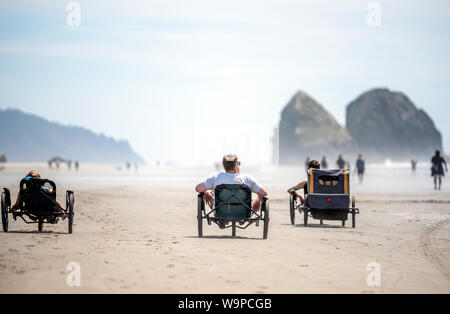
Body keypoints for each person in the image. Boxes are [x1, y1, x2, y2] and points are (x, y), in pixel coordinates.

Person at [195, 154, 268, 212]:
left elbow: (198, 188)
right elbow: (264, 193)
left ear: (224, 165)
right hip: (243, 212)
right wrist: (258, 200)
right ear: (236, 165)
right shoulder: (247, 178)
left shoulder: (215, 177)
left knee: (209, 194)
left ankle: (222, 220)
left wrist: (206, 192)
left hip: (221, 212)